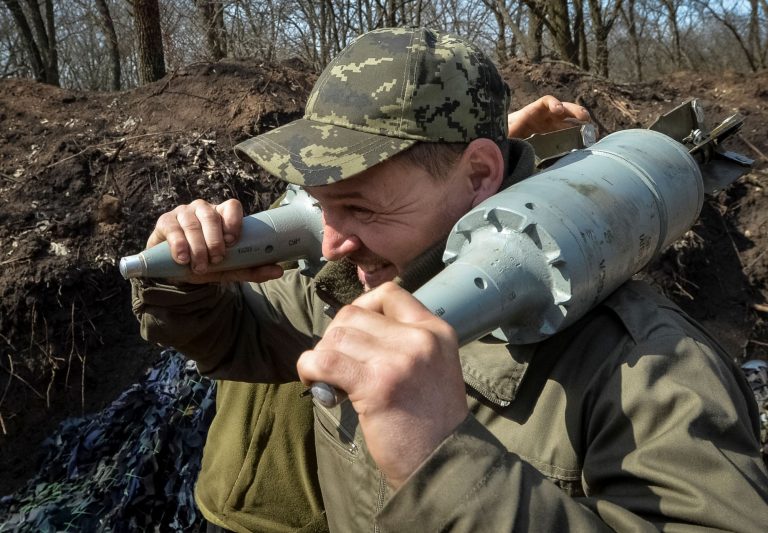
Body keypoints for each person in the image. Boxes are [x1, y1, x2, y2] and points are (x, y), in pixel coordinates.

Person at [132, 27, 768, 531]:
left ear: (479, 174)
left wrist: (440, 460)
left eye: (360, 207)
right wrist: (183, 278)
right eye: (321, 207)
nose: (330, 241)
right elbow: (237, 336)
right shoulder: (356, 276)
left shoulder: (650, 372)